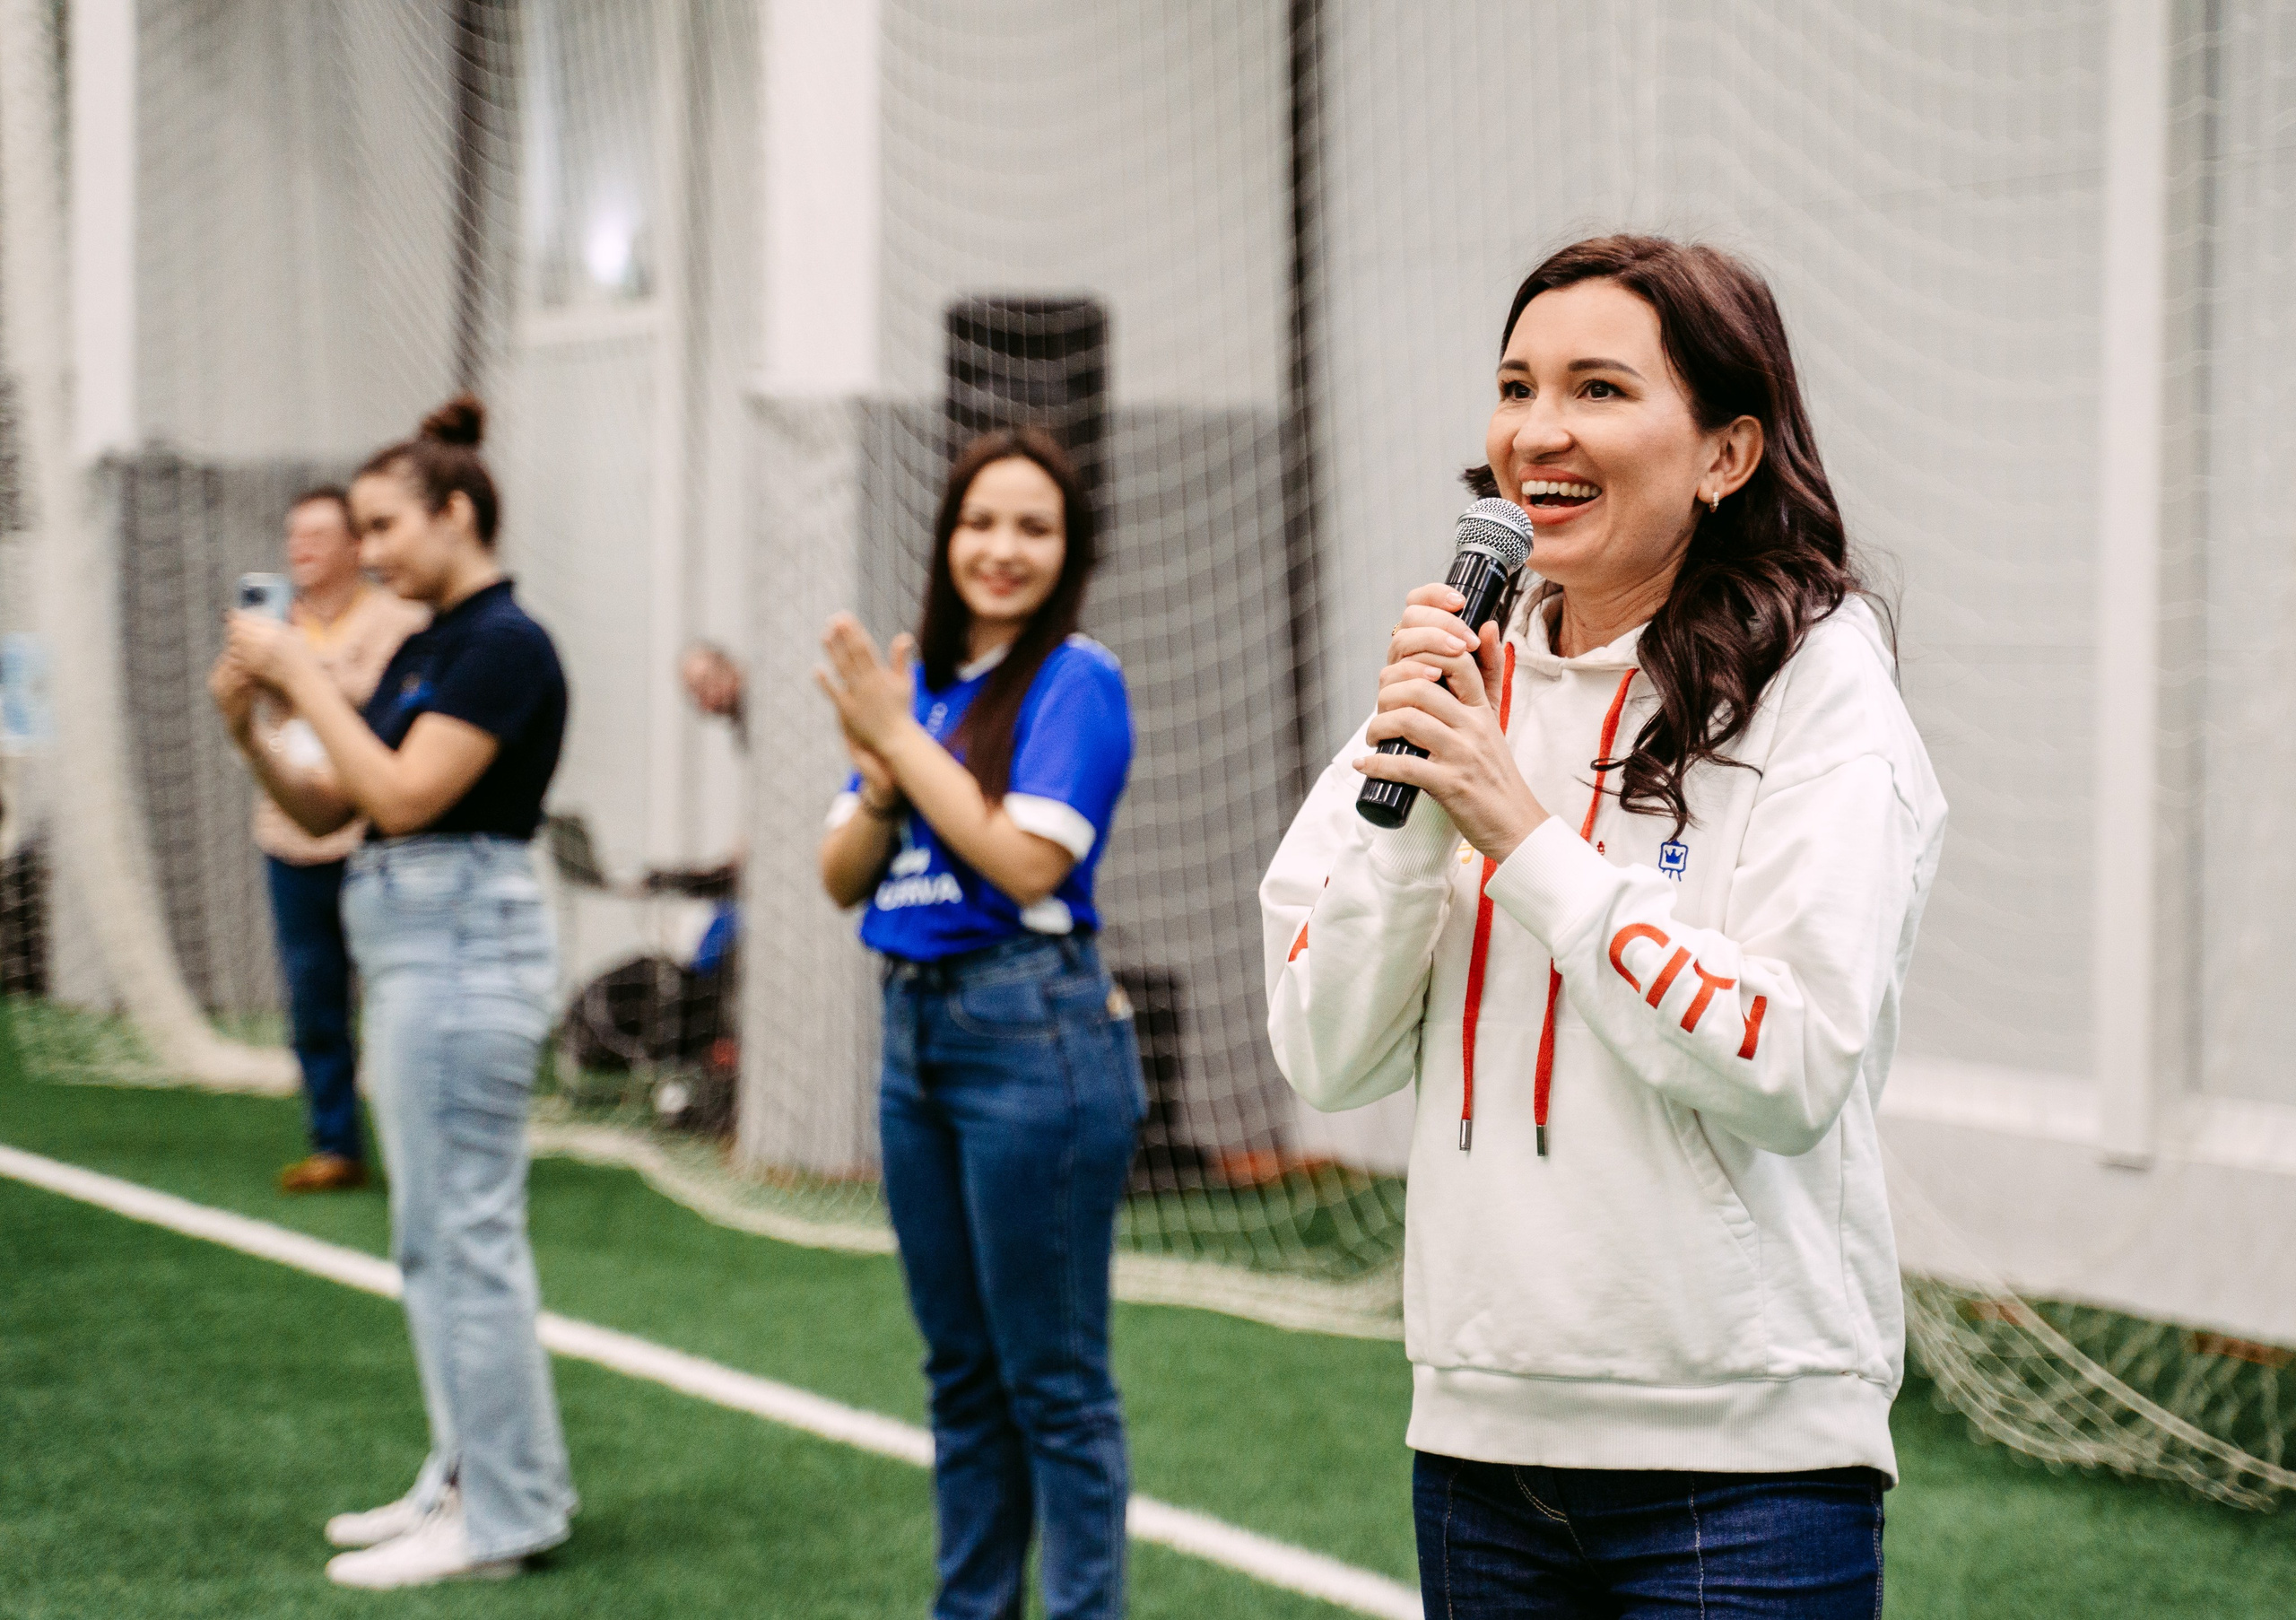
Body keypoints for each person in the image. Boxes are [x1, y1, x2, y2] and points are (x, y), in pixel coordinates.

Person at [1262, 236, 1947, 1617]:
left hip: (1743, 1471)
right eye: (1516, 386)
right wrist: (1424, 821)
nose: (1541, 431)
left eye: (1599, 388)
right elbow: (1324, 1051)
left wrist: (1526, 838)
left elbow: (1794, 1063)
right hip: (1476, 1446)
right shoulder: (1454, 683)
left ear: (1727, 452)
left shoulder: (1820, 690)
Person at [207, 394, 577, 1590]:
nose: (364, 551)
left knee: (465, 1236)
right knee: (432, 1237)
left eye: (381, 525)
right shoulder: (430, 644)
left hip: (463, 941)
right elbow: (336, 803)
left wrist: (302, 674)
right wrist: (254, 729)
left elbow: (409, 795)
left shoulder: (502, 645)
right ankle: (466, 1475)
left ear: (455, 513)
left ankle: (506, 1510)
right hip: (419, 936)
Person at [814, 427, 1142, 1620]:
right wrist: (889, 764)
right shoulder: (927, 689)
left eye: (1034, 527)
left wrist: (898, 739)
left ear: (1071, 551)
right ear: (948, 536)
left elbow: (1018, 860)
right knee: (960, 1375)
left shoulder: (1076, 678)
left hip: (1035, 1035)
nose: (1002, 548)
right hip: (915, 1037)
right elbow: (841, 872)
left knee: (1052, 1382)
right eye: (981, 522)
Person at [253, 486, 425, 1193]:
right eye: (294, 535)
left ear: (357, 547)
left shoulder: (400, 622)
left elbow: (397, 714)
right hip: (289, 836)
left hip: (374, 838)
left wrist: (305, 677)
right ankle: (335, 1143)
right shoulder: (270, 624)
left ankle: (419, 1143)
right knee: (313, 997)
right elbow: (262, 717)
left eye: (319, 535)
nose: (302, 549)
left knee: (399, 999)